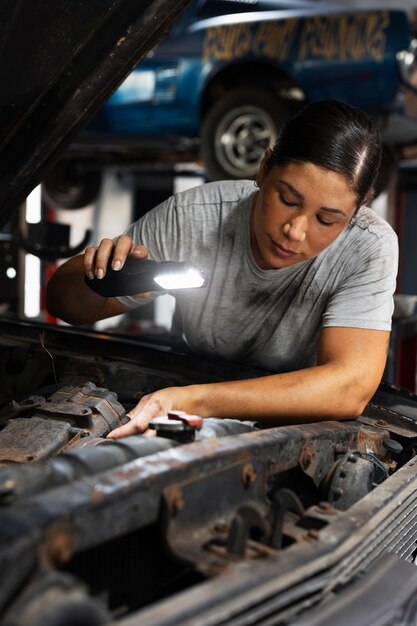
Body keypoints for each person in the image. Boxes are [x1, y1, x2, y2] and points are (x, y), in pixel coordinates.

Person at [46, 99, 398, 439]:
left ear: (355, 213)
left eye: (326, 219)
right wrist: (97, 276)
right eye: (287, 199)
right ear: (264, 167)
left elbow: (349, 389)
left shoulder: (367, 246)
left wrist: (195, 399)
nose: (295, 230)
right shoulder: (193, 218)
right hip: (191, 398)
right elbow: (64, 305)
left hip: (293, 419)